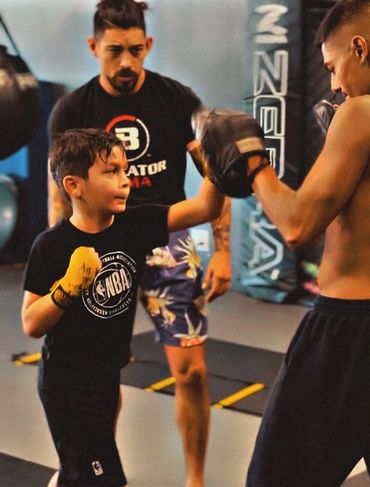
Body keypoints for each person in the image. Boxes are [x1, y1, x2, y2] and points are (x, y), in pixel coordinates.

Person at [47, 2, 231, 485]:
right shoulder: (74, 109)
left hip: (168, 240)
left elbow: (213, 174)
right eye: (114, 52)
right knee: (100, 377)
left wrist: (224, 249)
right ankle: (97, 473)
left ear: (147, 45)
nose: (125, 62)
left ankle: (196, 479)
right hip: (103, 249)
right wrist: (62, 262)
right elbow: (58, 195)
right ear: (94, 48)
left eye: (134, 50)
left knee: (190, 372)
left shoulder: (176, 100)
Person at [22, 128, 225, 487]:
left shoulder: (135, 224)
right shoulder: (51, 246)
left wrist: (214, 165)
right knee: (103, 478)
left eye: (125, 170)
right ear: (74, 185)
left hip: (108, 377)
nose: (125, 180)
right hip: (67, 384)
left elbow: (204, 207)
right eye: (111, 171)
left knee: (83, 472)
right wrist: (67, 289)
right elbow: (31, 324)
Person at [242, 0, 370, 485]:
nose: (334, 85)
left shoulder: (359, 113)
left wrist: (253, 161)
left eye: (334, 68)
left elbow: (297, 226)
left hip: (349, 335)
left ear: (360, 47)